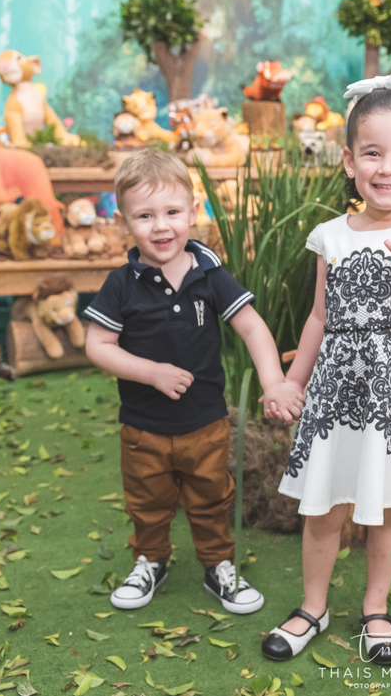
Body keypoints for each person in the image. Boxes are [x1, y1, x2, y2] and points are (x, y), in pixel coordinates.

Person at [260, 76, 391, 666]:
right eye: (372, 153)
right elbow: (319, 318)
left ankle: (376, 608)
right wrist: (293, 381)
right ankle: (313, 607)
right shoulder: (330, 236)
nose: (387, 168)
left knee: (386, 507)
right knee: (323, 506)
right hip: (336, 394)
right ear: (350, 162)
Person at [83, 148, 304, 613]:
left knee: (211, 497)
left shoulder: (209, 275)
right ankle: (150, 560)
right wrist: (150, 372)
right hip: (143, 425)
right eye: (145, 216)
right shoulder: (121, 283)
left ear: (193, 211)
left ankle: (218, 564)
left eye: (171, 212)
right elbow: (97, 345)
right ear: (124, 222)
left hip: (205, 422)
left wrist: (274, 382)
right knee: (147, 501)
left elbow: (251, 327)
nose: (161, 226)